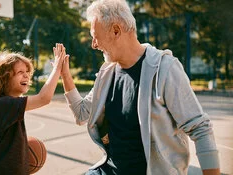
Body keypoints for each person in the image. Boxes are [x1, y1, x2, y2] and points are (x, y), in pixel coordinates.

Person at [60, 0, 220, 175]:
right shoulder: (107, 73)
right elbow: (82, 113)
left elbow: (201, 129)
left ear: (116, 30)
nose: (94, 44)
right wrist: (65, 74)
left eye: (95, 36)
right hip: (109, 170)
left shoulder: (164, 69)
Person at [0, 43, 68, 175]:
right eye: (20, 72)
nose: (26, 76)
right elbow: (44, 98)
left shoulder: (7, 105)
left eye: (27, 72)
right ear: (3, 77)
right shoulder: (1, 104)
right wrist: (57, 68)